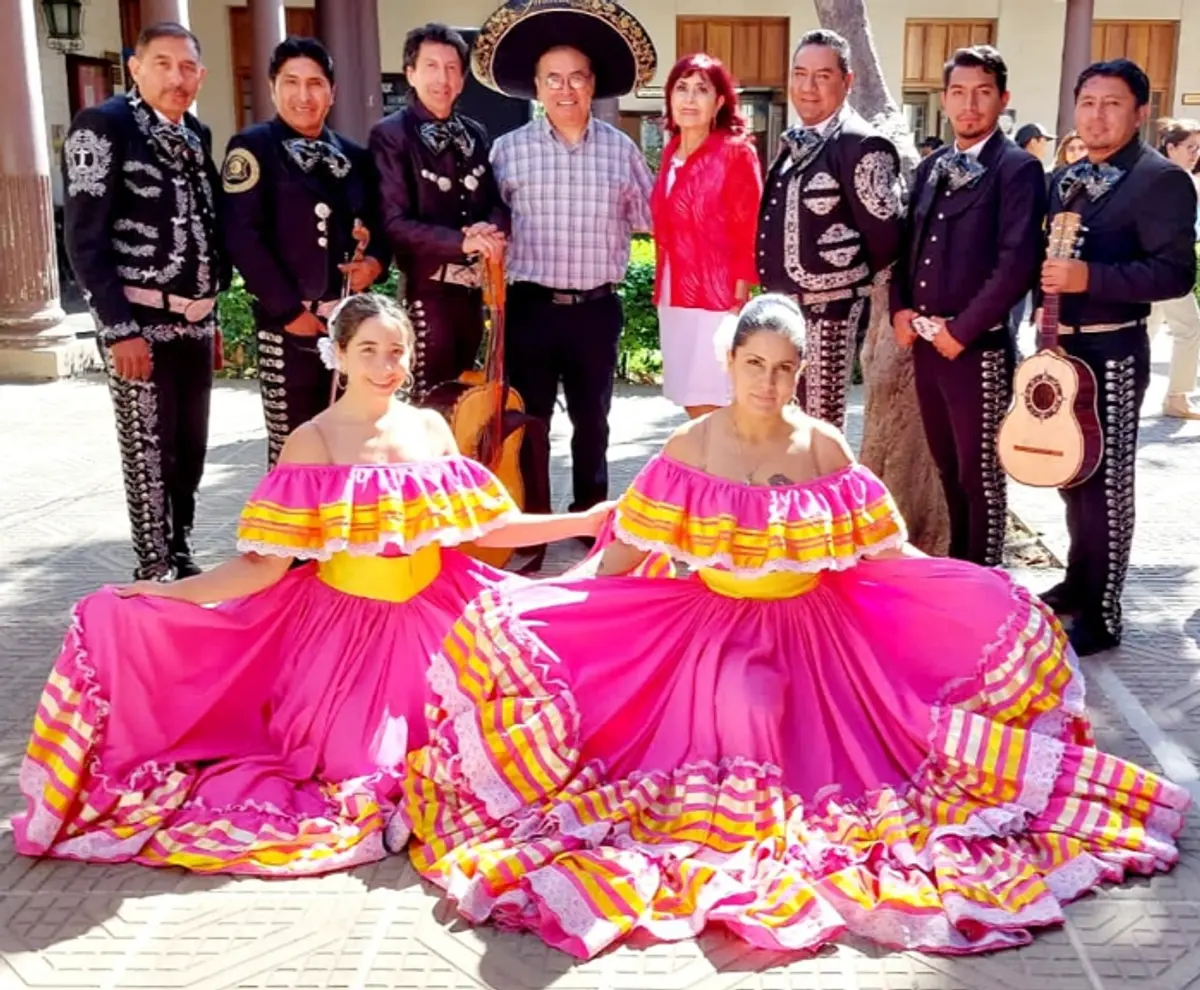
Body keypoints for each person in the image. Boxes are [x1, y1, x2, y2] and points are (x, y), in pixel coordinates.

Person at [398, 294, 1188, 959]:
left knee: (839, 748)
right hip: (709, 634)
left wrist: (973, 587)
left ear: (803, 372)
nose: (769, 381)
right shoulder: (690, 448)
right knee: (739, 708)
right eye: (754, 364)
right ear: (731, 364)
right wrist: (564, 605)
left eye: (785, 367)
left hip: (821, 638)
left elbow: (888, 550)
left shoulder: (823, 446)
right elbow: (623, 561)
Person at [12, 293, 609, 875]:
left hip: (442, 617)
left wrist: (584, 520)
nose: (385, 366)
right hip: (347, 634)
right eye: (369, 350)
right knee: (360, 769)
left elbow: (486, 525)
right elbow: (261, 567)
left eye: (397, 351)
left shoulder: (431, 426)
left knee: (519, 731)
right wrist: (167, 593)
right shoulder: (314, 440)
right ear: (339, 354)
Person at [1038, 60, 1198, 655]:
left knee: (1108, 481)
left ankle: (1103, 614)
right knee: (1069, 473)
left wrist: (1089, 277)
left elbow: (1176, 273)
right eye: (1088, 103)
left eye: (1112, 104)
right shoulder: (1068, 178)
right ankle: (1079, 582)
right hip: (1061, 347)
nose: (1097, 115)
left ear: (1138, 113)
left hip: (1115, 347)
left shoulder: (1159, 180)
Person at [473, 0, 656, 515]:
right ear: (536, 87)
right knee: (530, 423)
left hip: (596, 310)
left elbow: (655, 217)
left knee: (593, 423)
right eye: (552, 79)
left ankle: (588, 519)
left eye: (576, 78)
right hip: (530, 306)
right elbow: (486, 220)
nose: (565, 89)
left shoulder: (621, 151)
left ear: (592, 84)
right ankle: (531, 521)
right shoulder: (507, 151)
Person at [63, 22, 228, 581]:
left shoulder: (196, 133)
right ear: (135, 68)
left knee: (191, 450)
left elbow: (206, 228)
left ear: (201, 76)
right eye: (163, 64)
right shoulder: (103, 127)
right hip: (140, 324)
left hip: (194, 323)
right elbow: (84, 243)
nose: (176, 78)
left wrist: (213, 310)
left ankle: (179, 551)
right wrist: (118, 330)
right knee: (149, 455)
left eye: (186, 68)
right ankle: (153, 567)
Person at [892, 46, 1046, 567]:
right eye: (958, 92)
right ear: (943, 99)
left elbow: (1017, 263)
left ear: (1003, 99)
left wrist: (964, 329)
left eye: (982, 93)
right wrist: (899, 310)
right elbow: (907, 247)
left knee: (980, 473)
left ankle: (987, 580)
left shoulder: (1018, 168)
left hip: (976, 350)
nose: (970, 105)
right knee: (946, 468)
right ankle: (960, 572)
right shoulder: (933, 166)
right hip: (926, 348)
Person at [222, 37, 390, 467]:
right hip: (289, 323)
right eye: (291, 82)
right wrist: (290, 313)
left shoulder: (353, 156)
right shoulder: (252, 148)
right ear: (273, 87)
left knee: (350, 446)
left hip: (349, 328)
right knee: (293, 448)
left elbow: (380, 227)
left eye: (315, 83)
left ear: (331, 92)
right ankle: (289, 536)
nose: (303, 95)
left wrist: (376, 263)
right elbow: (243, 237)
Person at [757, 29, 902, 430]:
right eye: (800, 73)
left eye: (822, 76)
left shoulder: (861, 144)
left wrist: (848, 284)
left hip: (830, 312)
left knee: (820, 427)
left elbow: (887, 239)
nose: (807, 87)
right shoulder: (795, 141)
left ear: (847, 81)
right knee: (784, 424)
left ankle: (822, 495)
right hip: (786, 309)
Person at [369, 23, 508, 398]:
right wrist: (464, 242)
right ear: (410, 73)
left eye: (451, 68)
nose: (442, 78)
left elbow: (495, 201)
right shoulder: (391, 134)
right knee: (428, 403)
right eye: (430, 66)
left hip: (473, 295)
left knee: (466, 403)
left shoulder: (475, 133)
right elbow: (394, 222)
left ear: (462, 79)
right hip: (426, 293)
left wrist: (492, 231)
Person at [651, 53, 762, 418]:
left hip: (717, 298)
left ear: (718, 102)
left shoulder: (735, 153)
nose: (689, 98)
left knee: (716, 403)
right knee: (689, 398)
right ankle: (710, 474)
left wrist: (738, 300)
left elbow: (750, 228)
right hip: (674, 292)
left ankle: (730, 476)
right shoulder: (671, 153)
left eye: (701, 89)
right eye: (681, 88)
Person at [1149, 118, 1200, 420]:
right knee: (1190, 328)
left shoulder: (1182, 179)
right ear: (1171, 148)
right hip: (1165, 265)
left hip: (1159, 266)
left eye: (1198, 148)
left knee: (1149, 327)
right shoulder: (1165, 180)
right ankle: (1177, 397)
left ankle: (1127, 387)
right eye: (1190, 147)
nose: (1196, 153)